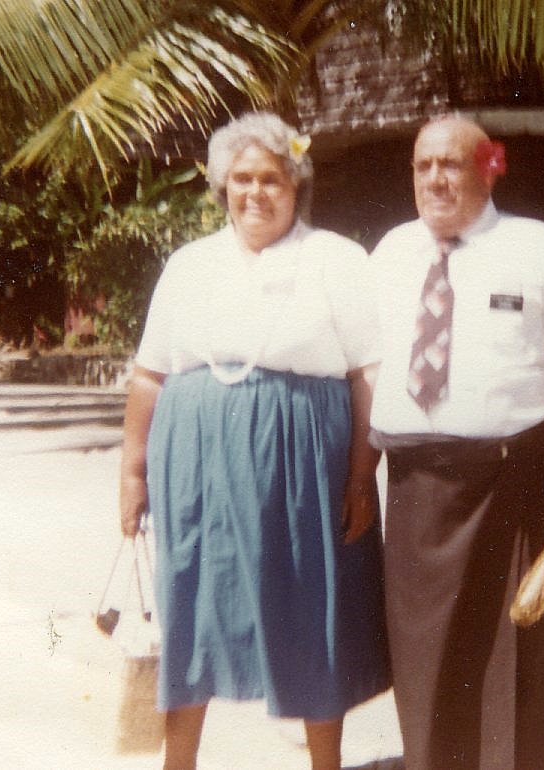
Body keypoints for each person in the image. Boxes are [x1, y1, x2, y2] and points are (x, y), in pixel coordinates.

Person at [119, 112, 390, 770]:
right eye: (241, 179)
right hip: (197, 467)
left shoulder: (335, 259)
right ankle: (176, 764)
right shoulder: (188, 265)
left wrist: (360, 476)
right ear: (220, 187)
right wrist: (132, 474)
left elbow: (368, 374)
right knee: (192, 610)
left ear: (295, 185)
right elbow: (150, 374)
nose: (256, 193)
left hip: (304, 464)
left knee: (311, 608)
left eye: (271, 179)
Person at [368, 115, 544, 770]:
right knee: (426, 656)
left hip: (514, 482)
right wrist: (356, 474)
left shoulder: (538, 248)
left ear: (489, 167)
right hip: (417, 484)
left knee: (520, 653)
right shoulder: (390, 252)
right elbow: (366, 370)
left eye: (449, 164)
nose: (433, 179)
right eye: (422, 166)